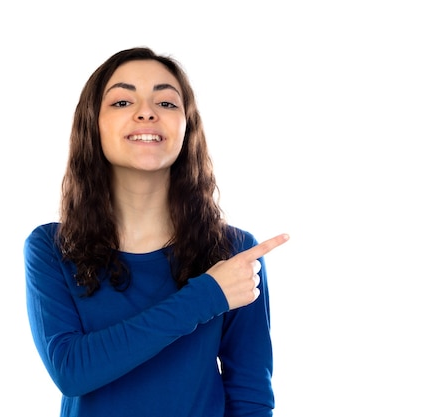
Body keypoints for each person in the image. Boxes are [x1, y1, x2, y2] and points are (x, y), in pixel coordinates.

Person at [23, 46, 289, 417]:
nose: (146, 112)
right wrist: (207, 296)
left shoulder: (233, 250)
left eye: (166, 103)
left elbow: (251, 397)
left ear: (187, 126)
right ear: (93, 124)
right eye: (121, 102)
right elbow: (72, 370)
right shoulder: (52, 248)